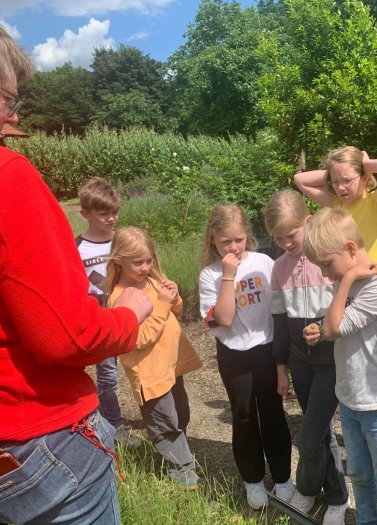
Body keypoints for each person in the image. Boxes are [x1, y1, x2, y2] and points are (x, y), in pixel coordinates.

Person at [0, 27, 152, 525]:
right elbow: (66, 335)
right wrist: (127, 316)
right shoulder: (10, 178)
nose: (15, 115)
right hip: (35, 435)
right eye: (6, 97)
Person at [303, 207, 377, 525]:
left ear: (351, 248)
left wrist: (347, 278)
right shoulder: (347, 282)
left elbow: (337, 327)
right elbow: (335, 325)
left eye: (327, 264)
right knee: (361, 475)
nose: (326, 273)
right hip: (350, 397)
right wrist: (319, 331)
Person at [198, 203, 293, 509]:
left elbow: (279, 309)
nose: (234, 246)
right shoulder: (209, 275)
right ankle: (252, 480)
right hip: (234, 355)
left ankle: (282, 477)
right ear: (213, 239)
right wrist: (228, 276)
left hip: (266, 350)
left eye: (238, 239)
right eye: (226, 241)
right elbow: (222, 320)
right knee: (243, 416)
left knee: (273, 413)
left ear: (247, 236)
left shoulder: (264, 262)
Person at [264, 190, 349, 524]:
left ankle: (314, 489)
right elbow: (281, 323)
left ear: (308, 222)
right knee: (322, 434)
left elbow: (348, 307)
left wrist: (325, 327)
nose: (286, 243)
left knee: (309, 437)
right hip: (300, 364)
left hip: (331, 361)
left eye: (292, 234)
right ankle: (330, 496)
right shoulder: (278, 269)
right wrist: (281, 369)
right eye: (278, 237)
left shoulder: (327, 262)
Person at [105, 227, 203, 489]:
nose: (145, 267)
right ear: (118, 260)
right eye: (137, 262)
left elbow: (177, 311)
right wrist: (161, 302)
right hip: (150, 372)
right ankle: (181, 470)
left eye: (148, 260)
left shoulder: (152, 281)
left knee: (180, 413)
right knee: (164, 421)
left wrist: (174, 295)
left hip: (170, 365)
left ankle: (179, 454)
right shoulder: (120, 297)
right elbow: (138, 338)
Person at [76, 176, 140, 449]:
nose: (112, 219)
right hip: (98, 321)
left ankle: (158, 420)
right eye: (104, 214)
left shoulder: (122, 242)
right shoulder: (75, 247)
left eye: (115, 212)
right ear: (85, 214)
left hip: (128, 315)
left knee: (139, 368)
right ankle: (115, 426)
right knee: (108, 375)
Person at [294, 146, 377, 279]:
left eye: (347, 181)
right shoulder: (338, 204)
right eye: (335, 182)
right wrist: (335, 170)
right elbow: (299, 179)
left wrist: (367, 165)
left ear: (365, 178)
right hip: (353, 286)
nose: (341, 188)